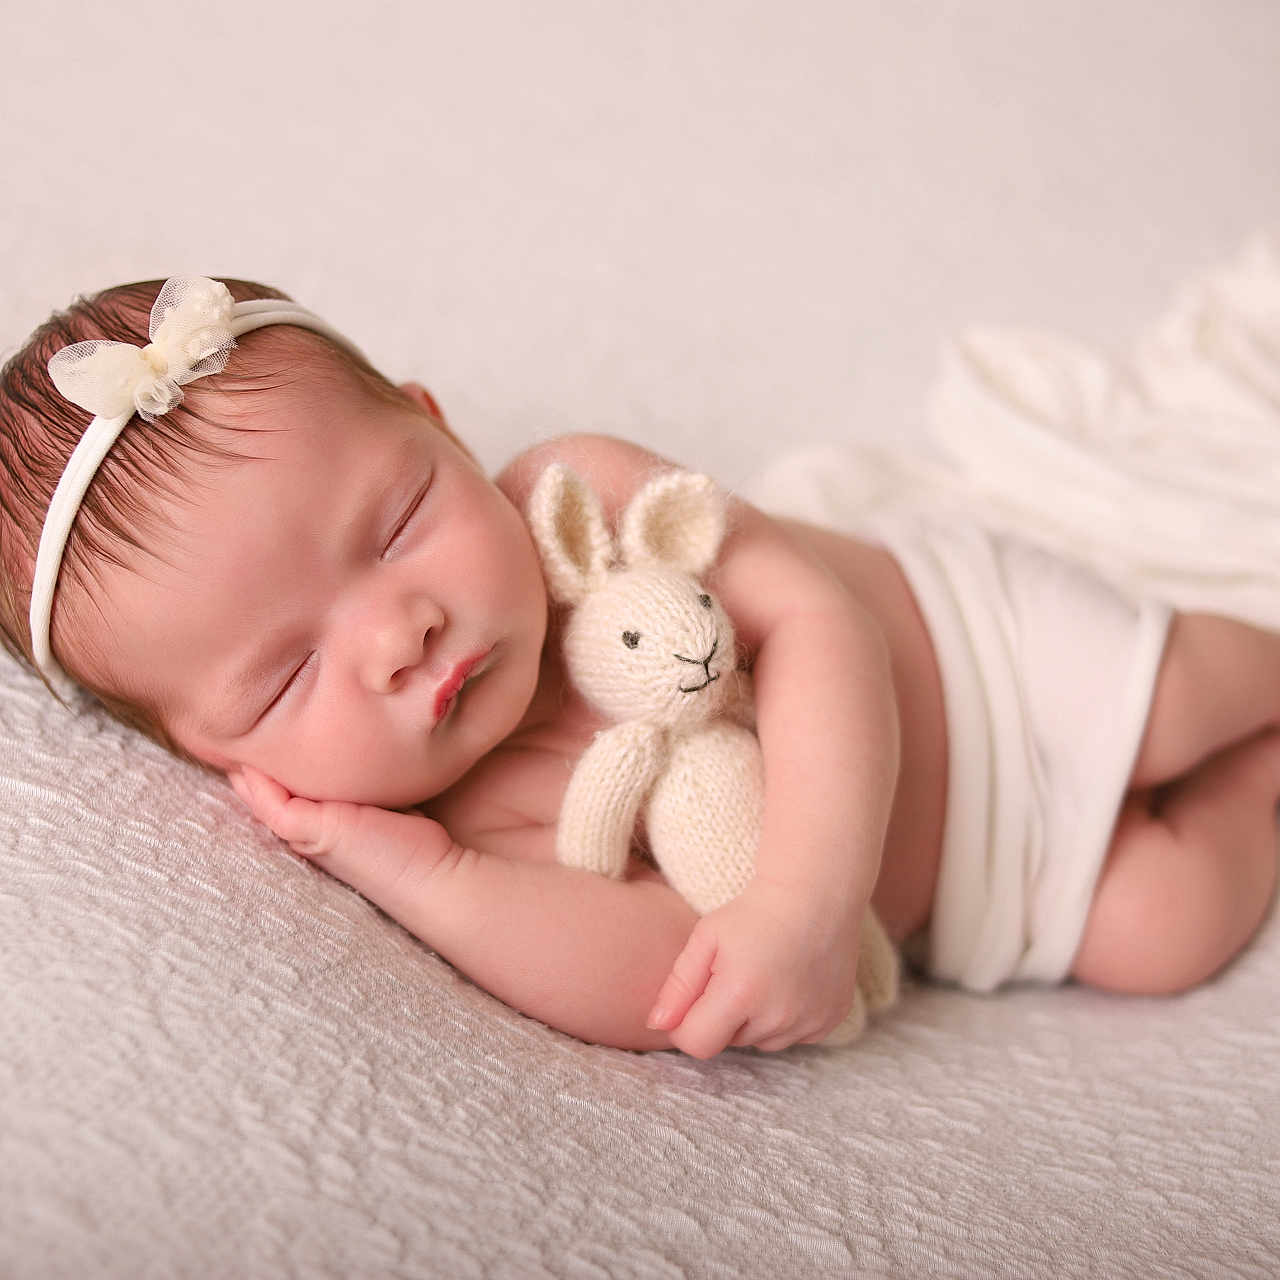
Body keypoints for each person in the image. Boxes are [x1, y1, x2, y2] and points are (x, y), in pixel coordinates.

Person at [3, 275, 1278, 1060]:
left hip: (981, 646)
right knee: (1160, 928)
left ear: (435, 423)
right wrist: (418, 873)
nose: (400, 635)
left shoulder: (583, 492)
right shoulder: (459, 823)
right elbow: (655, 974)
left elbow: (813, 620)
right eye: (285, 678)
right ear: (215, 757)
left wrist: (802, 908)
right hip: (976, 883)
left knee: (1179, 696)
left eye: (396, 526)